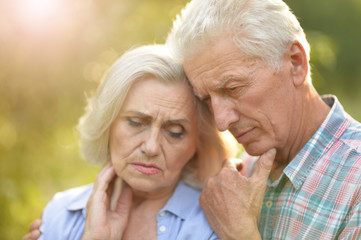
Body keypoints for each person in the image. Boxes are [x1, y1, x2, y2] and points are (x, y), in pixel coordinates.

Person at [166, 0, 361, 239]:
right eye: (206, 99)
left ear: (295, 62)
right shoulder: (237, 176)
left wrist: (239, 234)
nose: (221, 122)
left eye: (233, 88)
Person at [24, 44, 239, 240]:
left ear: (197, 145)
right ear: (107, 124)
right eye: (136, 123)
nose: (151, 147)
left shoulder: (215, 226)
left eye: (175, 132)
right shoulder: (61, 212)